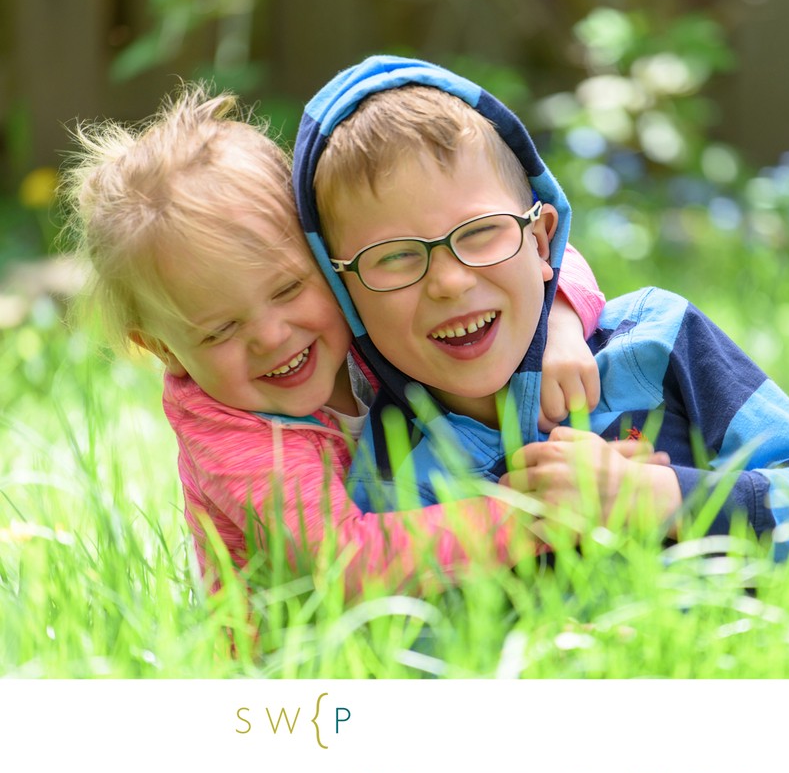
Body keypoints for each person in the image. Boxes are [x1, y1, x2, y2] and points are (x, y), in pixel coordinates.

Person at [292, 55, 789, 577]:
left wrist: (652, 494)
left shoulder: (655, 341)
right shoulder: (393, 480)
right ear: (348, 298)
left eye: (480, 233)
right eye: (393, 259)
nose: (449, 281)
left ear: (543, 240)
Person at [62, 83, 612, 593]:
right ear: (162, 349)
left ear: (328, 259)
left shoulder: (360, 309)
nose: (272, 336)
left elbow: (527, 257)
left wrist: (560, 325)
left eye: (286, 289)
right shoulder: (235, 439)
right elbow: (344, 563)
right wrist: (540, 514)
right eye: (221, 329)